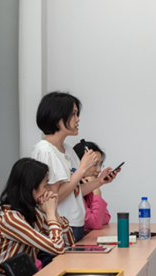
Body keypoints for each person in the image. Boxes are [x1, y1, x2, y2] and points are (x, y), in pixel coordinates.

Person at [31, 92, 118, 265]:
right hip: (57, 227)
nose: (78, 119)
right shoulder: (45, 151)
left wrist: (99, 181)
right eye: (74, 114)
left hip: (74, 225)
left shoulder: (68, 150)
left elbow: (75, 191)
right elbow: (55, 197)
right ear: (57, 118)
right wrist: (82, 169)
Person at [0, 158, 76, 276]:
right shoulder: (10, 218)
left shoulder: (32, 213)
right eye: (45, 185)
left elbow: (69, 244)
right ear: (31, 188)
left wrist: (55, 213)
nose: (48, 190)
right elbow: (57, 247)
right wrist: (50, 214)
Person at [73, 140, 111, 232]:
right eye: (95, 164)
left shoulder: (87, 187)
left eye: (100, 164)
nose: (99, 170)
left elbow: (106, 216)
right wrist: (97, 191)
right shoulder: (73, 189)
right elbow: (95, 223)